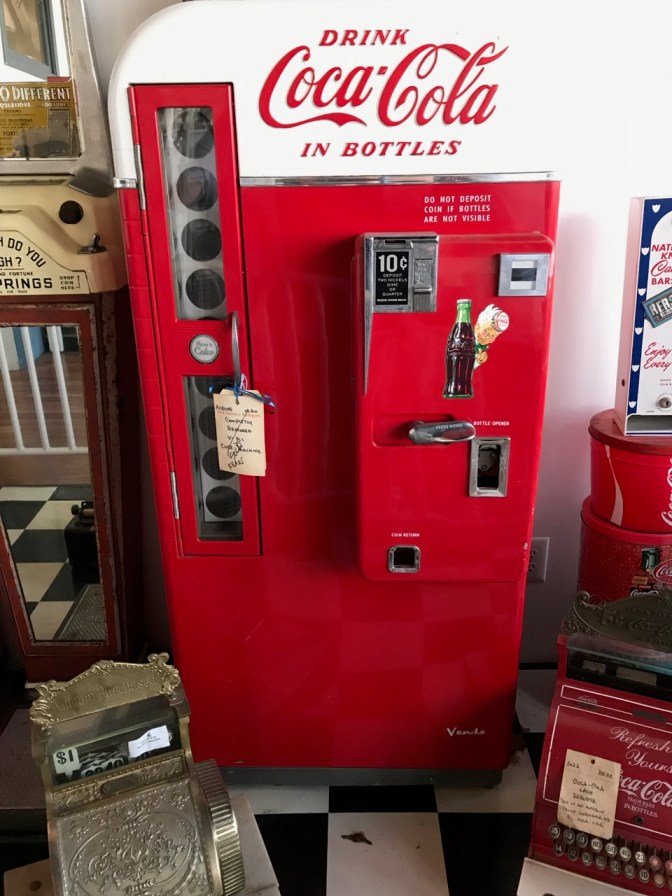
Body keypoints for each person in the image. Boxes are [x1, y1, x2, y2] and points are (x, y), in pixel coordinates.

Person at [474, 303, 509, 368]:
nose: (490, 339)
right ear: (477, 328)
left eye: (494, 335)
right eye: (487, 333)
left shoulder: (483, 347)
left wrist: (478, 361)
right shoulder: (467, 341)